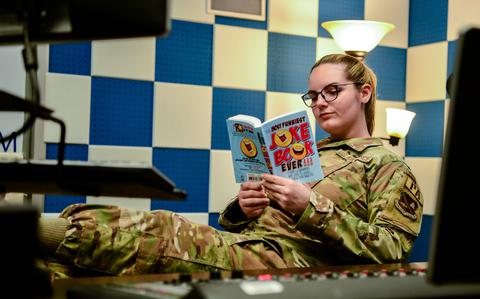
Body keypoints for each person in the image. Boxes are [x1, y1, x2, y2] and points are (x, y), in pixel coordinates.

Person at [39, 53, 423, 279]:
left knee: (165, 230)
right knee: (62, 271)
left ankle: (31, 229)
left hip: (292, 265)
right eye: (313, 95)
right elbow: (240, 222)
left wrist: (310, 206)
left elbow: (392, 252)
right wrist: (245, 206)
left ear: (364, 93)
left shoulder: (386, 164)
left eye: (332, 91)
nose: (320, 102)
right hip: (246, 244)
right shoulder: (309, 151)